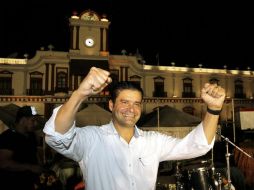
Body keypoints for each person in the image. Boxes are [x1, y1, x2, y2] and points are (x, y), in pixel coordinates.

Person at [43, 67, 226, 190]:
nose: (131, 109)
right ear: (111, 105)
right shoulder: (91, 138)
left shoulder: (153, 141)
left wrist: (214, 109)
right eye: (124, 102)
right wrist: (81, 93)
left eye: (137, 104)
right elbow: (57, 136)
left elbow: (197, 145)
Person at [0, 105, 44, 190]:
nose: (36, 124)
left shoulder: (31, 136)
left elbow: (34, 154)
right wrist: (30, 167)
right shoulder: (8, 137)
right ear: (23, 120)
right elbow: (3, 163)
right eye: (33, 120)